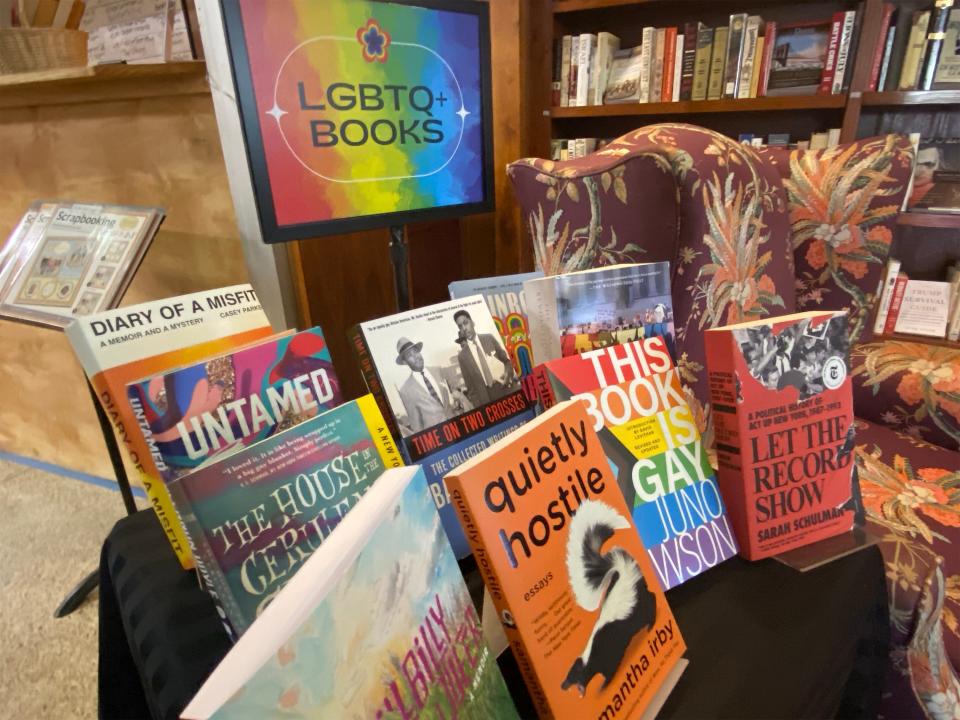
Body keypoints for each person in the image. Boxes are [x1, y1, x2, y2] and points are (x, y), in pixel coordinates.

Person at [454, 309, 517, 406]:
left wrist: (508, 375)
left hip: (507, 389)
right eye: (460, 326)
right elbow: (471, 389)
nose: (464, 328)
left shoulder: (489, 338)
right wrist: (480, 407)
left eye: (465, 323)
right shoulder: (462, 356)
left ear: (472, 322)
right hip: (487, 400)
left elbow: (507, 361)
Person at [395, 336, 452, 433]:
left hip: (457, 426)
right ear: (405, 362)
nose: (416, 357)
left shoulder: (438, 370)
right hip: (439, 437)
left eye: (416, 352)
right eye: (410, 355)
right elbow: (418, 429)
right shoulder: (406, 391)